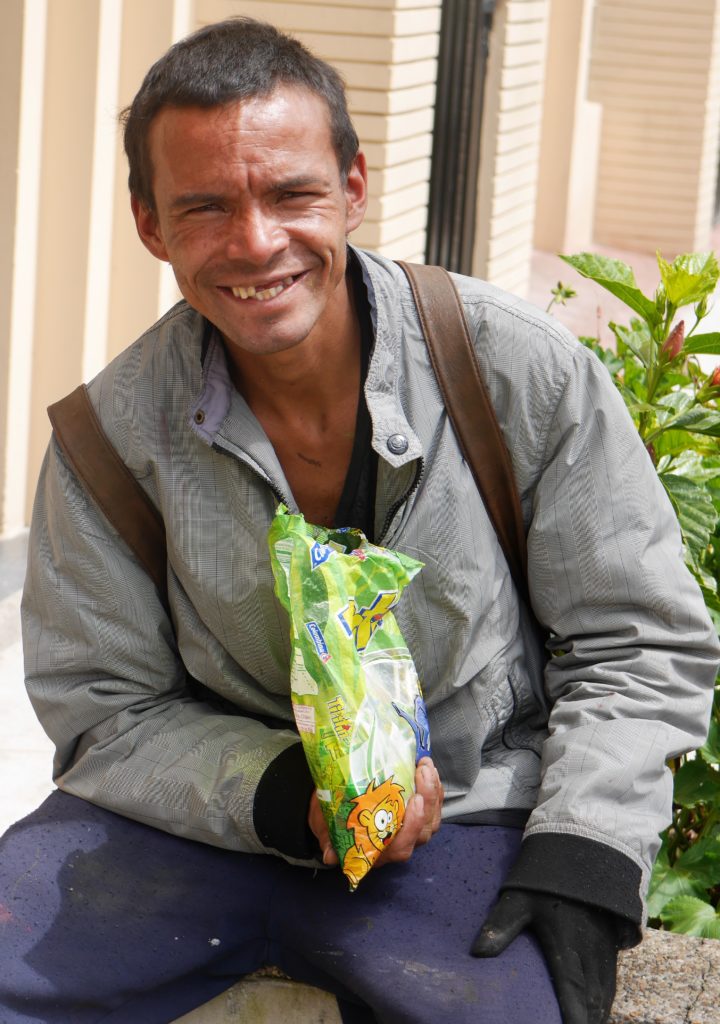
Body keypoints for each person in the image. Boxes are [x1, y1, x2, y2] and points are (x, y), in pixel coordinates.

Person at [1, 16, 717, 1024]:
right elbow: (103, 711)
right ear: (151, 226)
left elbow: (638, 635)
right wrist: (289, 793)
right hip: (216, 825)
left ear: (353, 187)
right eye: (204, 207)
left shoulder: (514, 369)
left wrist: (585, 850)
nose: (256, 242)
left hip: (471, 811)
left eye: (291, 193)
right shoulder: (106, 438)